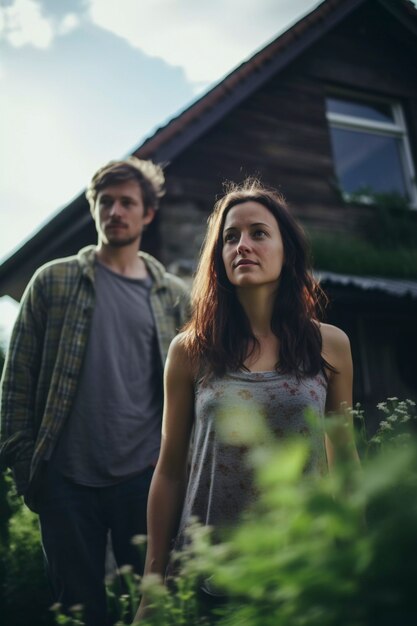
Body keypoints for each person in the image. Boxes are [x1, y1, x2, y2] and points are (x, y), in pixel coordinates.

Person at [134, 179, 360, 622]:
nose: (243, 245)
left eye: (259, 233)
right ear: (218, 257)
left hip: (305, 570)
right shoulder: (189, 350)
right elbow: (169, 469)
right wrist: (151, 585)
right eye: (230, 237)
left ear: (286, 250)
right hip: (210, 572)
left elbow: (344, 457)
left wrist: (360, 560)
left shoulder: (331, 346)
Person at [0, 156, 190, 626]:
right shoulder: (54, 280)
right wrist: (29, 469)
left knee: (148, 605)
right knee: (80, 612)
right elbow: (16, 382)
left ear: (147, 213)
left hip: (144, 479)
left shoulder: (174, 296)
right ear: (94, 209)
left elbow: (193, 389)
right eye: (106, 202)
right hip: (64, 481)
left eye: (128, 202)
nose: (116, 211)